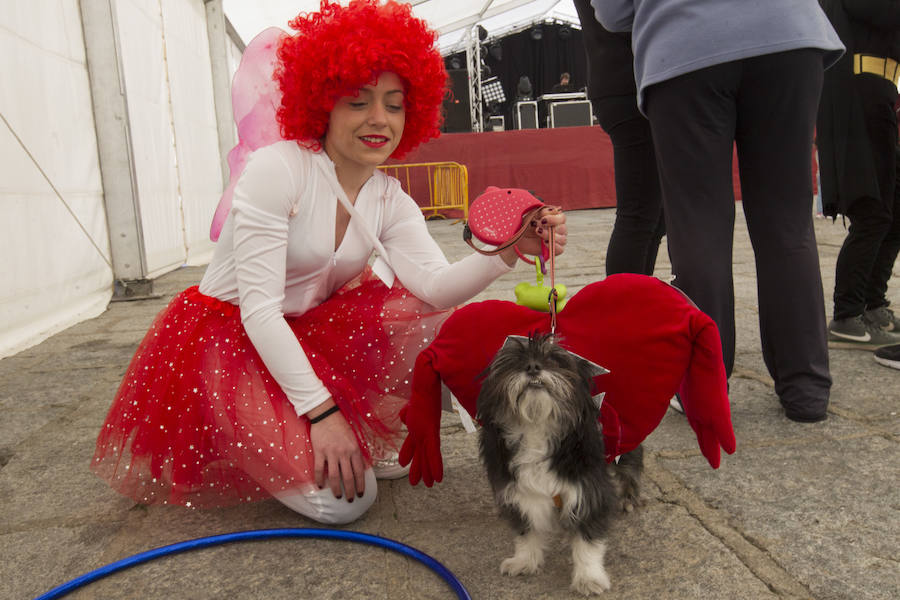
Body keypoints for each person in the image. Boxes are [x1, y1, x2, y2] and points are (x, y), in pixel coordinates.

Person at [91, 0, 567, 525]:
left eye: (394, 103)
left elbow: (434, 287)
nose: (379, 120)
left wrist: (507, 252)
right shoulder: (278, 170)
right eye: (358, 101)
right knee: (344, 501)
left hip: (305, 334)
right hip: (227, 344)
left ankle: (298, 430)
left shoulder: (387, 196)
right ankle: (241, 430)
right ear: (323, 105)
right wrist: (324, 414)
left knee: (419, 314)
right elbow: (259, 312)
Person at [592, 0, 844, 422]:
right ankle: (806, 388)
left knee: (698, 225)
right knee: (788, 223)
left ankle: (705, 386)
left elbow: (613, 13)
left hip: (686, 45)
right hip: (787, 31)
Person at [816, 0, 900, 350]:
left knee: (893, 211)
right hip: (859, 95)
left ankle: (873, 303)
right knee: (873, 210)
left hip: (881, 93)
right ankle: (847, 313)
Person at [573, 0, 665, 277]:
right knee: (639, 213)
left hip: (622, 80)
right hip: (629, 82)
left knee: (655, 215)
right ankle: (623, 310)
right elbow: (617, 17)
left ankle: (636, 299)